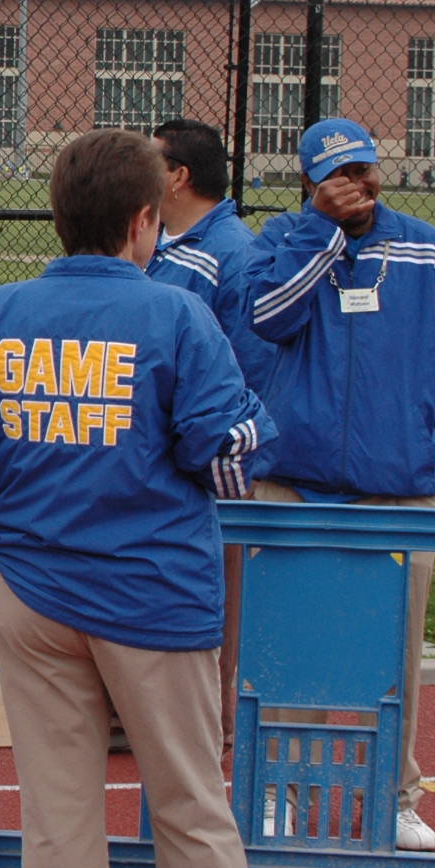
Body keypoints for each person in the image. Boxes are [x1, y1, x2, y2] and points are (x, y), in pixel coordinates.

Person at [0, 128, 280, 868]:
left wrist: (4, 554)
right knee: (192, 804)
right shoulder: (176, 315)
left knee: (59, 816)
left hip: (34, 594)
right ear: (144, 220)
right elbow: (226, 453)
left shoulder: (0, 312)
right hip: (156, 595)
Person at [247, 117, 435, 853]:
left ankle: (394, 797)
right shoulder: (281, 238)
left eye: (365, 169)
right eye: (339, 174)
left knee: (397, 653)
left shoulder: (424, 246)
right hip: (294, 481)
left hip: (398, 483)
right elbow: (268, 319)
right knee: (292, 647)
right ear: (309, 182)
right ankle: (280, 789)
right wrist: (321, 234)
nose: (357, 184)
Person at [148, 118, 275, 746]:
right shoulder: (159, 241)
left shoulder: (233, 252)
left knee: (217, 595)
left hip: (207, 461)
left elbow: (249, 369)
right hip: (159, 456)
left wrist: (223, 455)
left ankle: (216, 725)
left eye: (151, 159)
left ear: (178, 176)